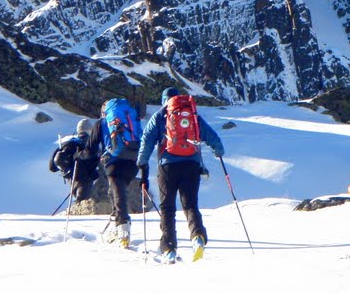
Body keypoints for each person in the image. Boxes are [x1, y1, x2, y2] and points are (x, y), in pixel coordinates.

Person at [137, 87, 225, 263]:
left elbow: (147, 141)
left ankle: (169, 248)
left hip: (167, 167)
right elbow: (210, 136)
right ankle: (197, 236)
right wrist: (219, 151)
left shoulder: (160, 117)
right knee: (190, 205)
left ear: (164, 100)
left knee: (167, 208)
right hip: (191, 165)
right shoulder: (192, 114)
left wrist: (141, 162)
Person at [88, 99, 143, 247]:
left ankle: (123, 229)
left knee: (118, 195)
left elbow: (90, 149)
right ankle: (117, 224)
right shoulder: (132, 118)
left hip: (114, 163)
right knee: (114, 193)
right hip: (133, 162)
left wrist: (80, 156)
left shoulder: (102, 122)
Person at [48, 119, 99, 202]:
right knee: (83, 203)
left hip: (71, 179)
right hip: (85, 179)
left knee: (79, 202)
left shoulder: (68, 143)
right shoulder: (89, 143)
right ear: (89, 130)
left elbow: (52, 167)